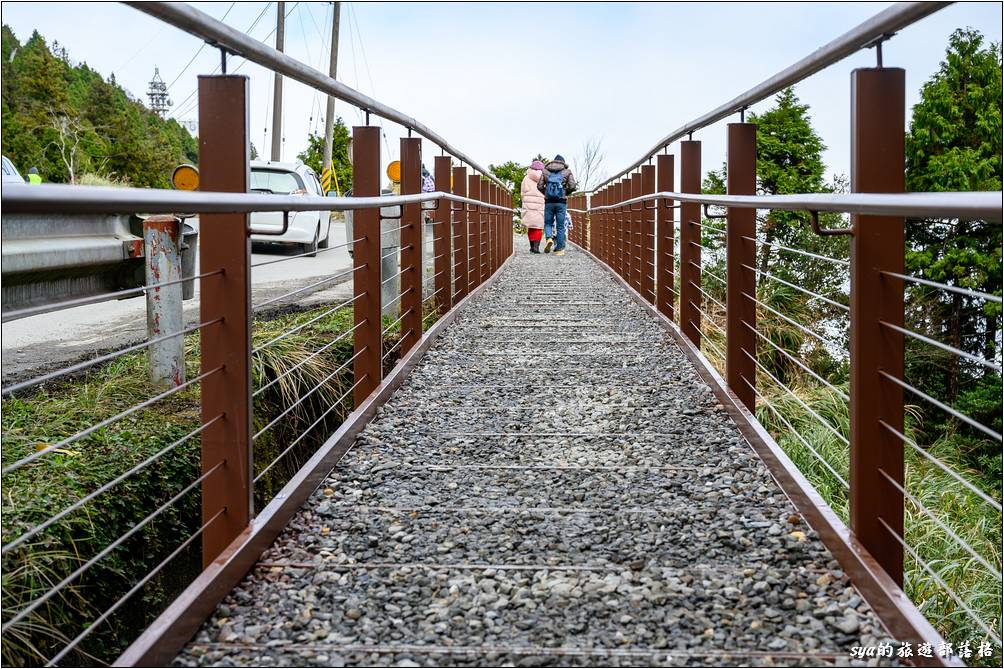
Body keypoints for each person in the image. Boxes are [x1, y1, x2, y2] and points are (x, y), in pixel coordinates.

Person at [536, 154, 577, 256]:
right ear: (563, 162)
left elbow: (539, 186)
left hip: (549, 202)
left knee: (548, 223)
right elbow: (572, 185)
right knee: (560, 226)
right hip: (561, 202)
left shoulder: (545, 171)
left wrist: (547, 193)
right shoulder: (567, 171)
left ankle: (549, 238)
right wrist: (565, 193)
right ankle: (560, 249)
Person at [520, 160, 546, 253]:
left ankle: (532, 247)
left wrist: (524, 201)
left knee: (531, 226)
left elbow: (522, 193)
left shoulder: (526, 178)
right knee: (538, 227)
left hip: (528, 204)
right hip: (541, 204)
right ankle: (536, 247)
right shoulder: (544, 178)